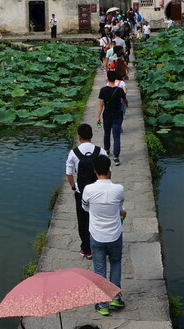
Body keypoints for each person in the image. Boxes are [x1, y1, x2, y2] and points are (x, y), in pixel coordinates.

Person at [81, 154, 126, 316]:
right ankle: (115, 297)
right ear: (109, 170)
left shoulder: (88, 189)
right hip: (115, 233)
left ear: (94, 171)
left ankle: (102, 304)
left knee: (99, 269)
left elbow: (85, 208)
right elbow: (120, 207)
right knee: (115, 263)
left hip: (97, 234)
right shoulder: (118, 189)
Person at [65, 123, 107, 260]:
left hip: (81, 191)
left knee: (83, 220)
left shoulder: (74, 153)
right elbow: (108, 172)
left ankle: (86, 249)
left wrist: (73, 187)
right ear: (92, 136)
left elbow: (69, 174)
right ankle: (100, 245)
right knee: (98, 217)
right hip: (98, 190)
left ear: (79, 136)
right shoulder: (100, 151)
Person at [97, 71, 127, 165]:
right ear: (115, 79)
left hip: (107, 115)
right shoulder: (120, 90)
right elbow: (125, 100)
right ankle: (116, 157)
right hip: (118, 115)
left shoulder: (103, 90)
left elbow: (101, 104)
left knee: (107, 133)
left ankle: (106, 150)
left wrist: (98, 117)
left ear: (107, 78)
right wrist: (126, 105)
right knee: (116, 136)